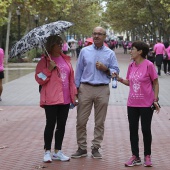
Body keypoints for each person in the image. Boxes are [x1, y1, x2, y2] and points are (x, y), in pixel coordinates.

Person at [71, 26, 119, 159]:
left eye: (100, 34)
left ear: (104, 37)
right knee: (81, 121)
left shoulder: (110, 53)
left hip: (102, 89)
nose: (97, 36)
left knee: (99, 122)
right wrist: (75, 88)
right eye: (95, 34)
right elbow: (79, 70)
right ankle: (81, 148)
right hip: (85, 88)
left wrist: (106, 69)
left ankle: (96, 147)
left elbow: (116, 72)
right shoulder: (84, 51)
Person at [114, 41, 160, 167]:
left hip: (146, 103)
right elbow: (130, 82)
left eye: (132, 49)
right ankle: (135, 156)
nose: (130, 51)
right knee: (133, 129)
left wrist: (155, 100)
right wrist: (119, 79)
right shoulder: (131, 66)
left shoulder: (149, 65)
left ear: (140, 51)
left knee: (145, 129)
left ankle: (147, 156)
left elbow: (155, 83)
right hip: (132, 103)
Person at [35, 35, 78, 163]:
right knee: (50, 124)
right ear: (51, 45)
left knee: (61, 125)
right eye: (58, 44)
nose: (61, 45)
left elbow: (71, 80)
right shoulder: (45, 61)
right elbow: (39, 79)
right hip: (51, 99)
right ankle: (47, 151)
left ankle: (58, 151)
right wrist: (48, 69)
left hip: (65, 98)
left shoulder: (66, 59)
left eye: (61, 43)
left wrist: (74, 95)